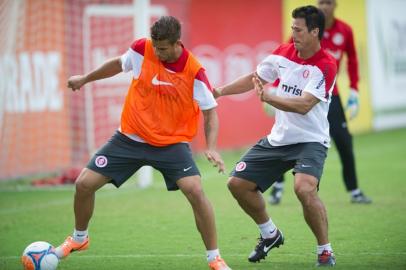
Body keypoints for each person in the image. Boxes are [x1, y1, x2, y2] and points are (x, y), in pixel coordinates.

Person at [55, 16, 231, 270]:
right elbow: (118, 64)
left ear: (177, 44)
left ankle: (214, 257)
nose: (157, 52)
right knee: (84, 184)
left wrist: (211, 147)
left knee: (195, 191)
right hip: (129, 137)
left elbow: (210, 112)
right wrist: (85, 78)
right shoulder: (141, 48)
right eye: (155, 46)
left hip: (171, 144)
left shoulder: (195, 72)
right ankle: (80, 238)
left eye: (162, 48)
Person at [214, 6, 337, 266]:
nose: (293, 34)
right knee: (237, 184)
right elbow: (255, 78)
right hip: (280, 138)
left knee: (303, 189)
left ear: (315, 31)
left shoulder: (325, 65)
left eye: (298, 29)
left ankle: (325, 250)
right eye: (292, 28)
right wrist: (220, 91)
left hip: (310, 140)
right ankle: (269, 234)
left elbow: (304, 105)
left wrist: (270, 96)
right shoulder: (283, 53)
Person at [268, 0, 372, 205]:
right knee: (285, 137)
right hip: (299, 92)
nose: (324, 6)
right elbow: (286, 61)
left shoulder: (345, 31)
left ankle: (354, 190)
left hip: (329, 94)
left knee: (344, 140)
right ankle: (278, 187)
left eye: (329, 3)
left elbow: (352, 59)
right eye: (321, 2)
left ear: (335, 5)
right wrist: (275, 88)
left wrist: (354, 89)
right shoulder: (304, 30)